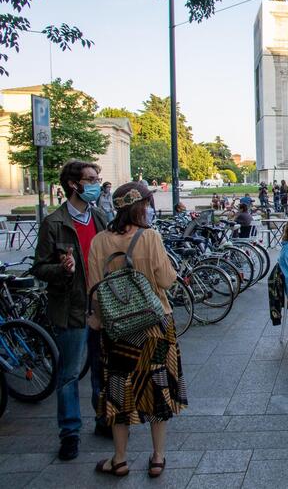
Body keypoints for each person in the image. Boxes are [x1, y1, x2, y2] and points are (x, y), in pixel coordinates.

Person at [86, 181, 186, 477]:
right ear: (140, 206)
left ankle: (119, 459)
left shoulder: (100, 240)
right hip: (155, 325)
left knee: (118, 390)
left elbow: (94, 287)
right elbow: (167, 281)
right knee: (157, 387)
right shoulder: (150, 237)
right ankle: (157, 457)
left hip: (118, 330)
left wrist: (99, 320)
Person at [31, 160, 109, 460]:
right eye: (91, 179)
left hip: (100, 305)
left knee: (102, 368)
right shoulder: (54, 222)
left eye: (96, 177)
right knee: (69, 373)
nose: (96, 183)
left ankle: (103, 418)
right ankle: (70, 433)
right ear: (74, 184)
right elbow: (39, 267)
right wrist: (62, 270)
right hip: (71, 309)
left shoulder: (99, 216)